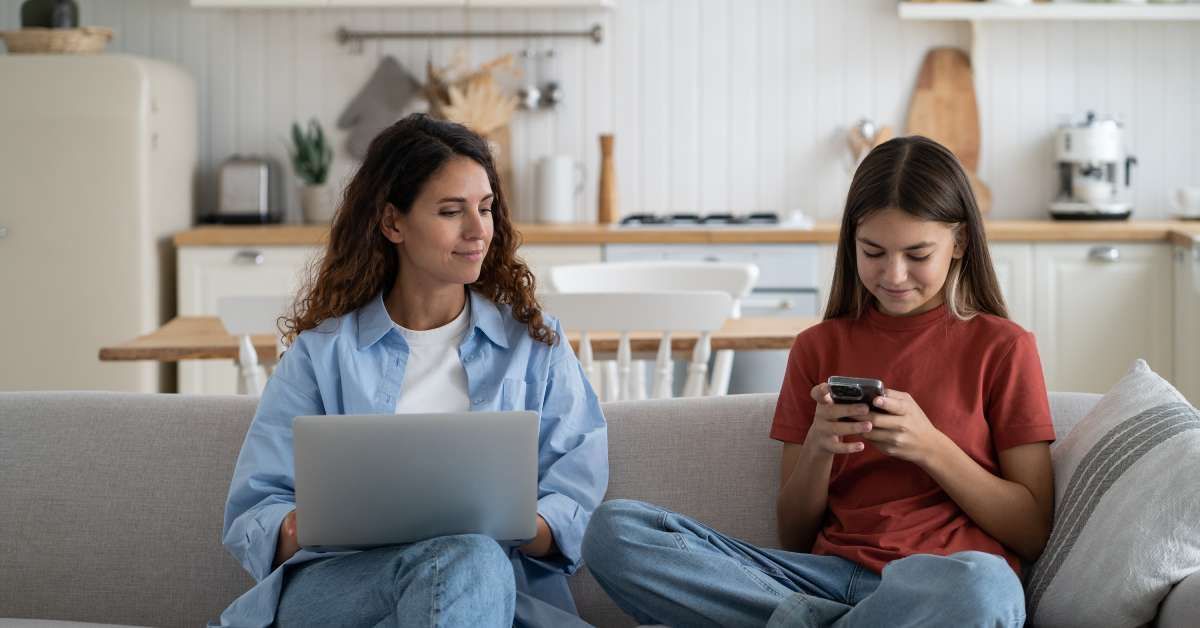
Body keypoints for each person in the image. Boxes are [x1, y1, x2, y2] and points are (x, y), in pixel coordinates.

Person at [581, 136, 1056, 628]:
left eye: (917, 254)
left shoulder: (1003, 347)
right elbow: (794, 536)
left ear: (958, 243)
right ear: (851, 242)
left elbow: (1031, 529)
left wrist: (931, 447)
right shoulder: (818, 346)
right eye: (873, 252)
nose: (894, 274)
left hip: (937, 584)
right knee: (614, 530)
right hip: (818, 579)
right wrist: (819, 448)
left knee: (987, 585)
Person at [213, 114, 608, 628]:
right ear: (392, 222)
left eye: (485, 209)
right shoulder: (322, 355)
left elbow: (575, 502)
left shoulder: (534, 346)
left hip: (495, 589)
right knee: (468, 564)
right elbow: (253, 511)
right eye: (451, 211)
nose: (477, 231)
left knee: (473, 561)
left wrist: (507, 522)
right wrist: (317, 521)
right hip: (346, 588)